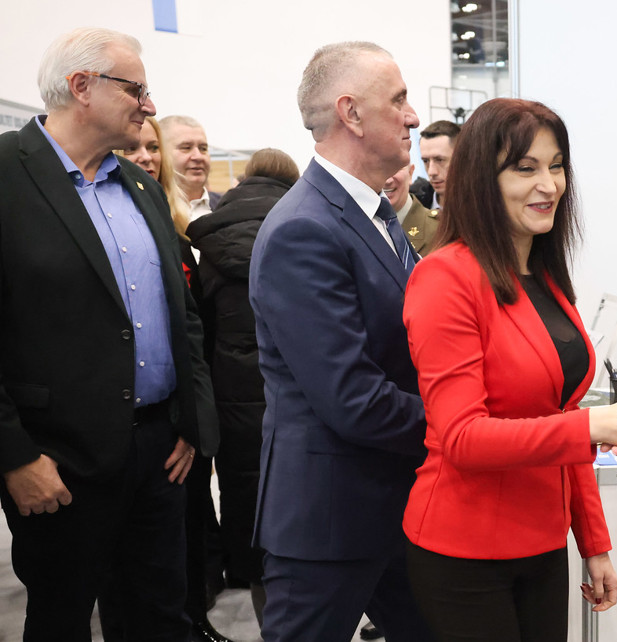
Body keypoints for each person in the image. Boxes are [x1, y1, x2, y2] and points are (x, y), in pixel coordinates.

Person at [401, 97, 617, 641]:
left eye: (556, 166)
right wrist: (597, 425)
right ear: (482, 180)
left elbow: (563, 414)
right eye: (525, 168)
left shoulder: (546, 276)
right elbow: (463, 437)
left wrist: (594, 542)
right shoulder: (445, 278)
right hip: (464, 551)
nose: (549, 184)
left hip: (541, 544)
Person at [0, 27, 217, 640]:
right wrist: (15, 458)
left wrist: (190, 422)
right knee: (61, 620)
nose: (149, 105)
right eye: (136, 90)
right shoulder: (6, 175)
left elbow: (183, 316)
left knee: (160, 617)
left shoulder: (141, 186)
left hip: (160, 457)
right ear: (81, 86)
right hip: (57, 465)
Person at [248, 41, 433, 641]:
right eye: (399, 100)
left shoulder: (372, 214)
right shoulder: (305, 228)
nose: (413, 117)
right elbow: (353, 397)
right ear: (350, 113)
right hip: (329, 517)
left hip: (392, 501)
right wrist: (462, 426)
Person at [115, 115, 232, 642]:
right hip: (133, 411)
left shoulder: (176, 222)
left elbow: (189, 323)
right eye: (135, 148)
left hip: (185, 398)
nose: (146, 157)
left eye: (152, 148)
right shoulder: (126, 221)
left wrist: (193, 415)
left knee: (187, 526)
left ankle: (194, 617)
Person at [187, 148, 300, 626]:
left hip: (231, 396)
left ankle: (256, 591)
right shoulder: (300, 224)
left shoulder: (212, 239)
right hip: (293, 392)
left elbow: (201, 325)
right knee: (298, 497)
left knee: (242, 491)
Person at [160, 114, 219, 221]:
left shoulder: (227, 207)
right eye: (186, 148)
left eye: (203, 148)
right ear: (161, 152)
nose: (198, 156)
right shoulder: (149, 209)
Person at [383, 161, 441, 257]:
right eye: (378, 168)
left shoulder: (441, 229)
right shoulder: (360, 228)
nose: (387, 181)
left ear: (410, 173)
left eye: (395, 168)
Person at [417, 119, 459, 208]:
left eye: (439, 160)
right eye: (426, 161)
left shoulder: (484, 207)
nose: (431, 172)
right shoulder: (415, 206)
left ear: (461, 159)